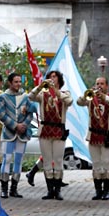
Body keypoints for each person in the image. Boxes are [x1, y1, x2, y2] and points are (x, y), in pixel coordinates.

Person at [28, 70, 73, 200]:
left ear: (59, 79)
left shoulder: (64, 93)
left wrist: (56, 91)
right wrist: (40, 86)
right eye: (50, 77)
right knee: (47, 161)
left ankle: (58, 190)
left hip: (59, 130)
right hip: (45, 129)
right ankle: (50, 190)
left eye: (54, 77)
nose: (52, 79)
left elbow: (69, 101)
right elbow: (31, 97)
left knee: (58, 161)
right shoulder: (43, 94)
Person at [77, 76, 109, 200]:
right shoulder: (91, 98)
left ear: (107, 86)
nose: (99, 86)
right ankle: (98, 191)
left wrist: (104, 97)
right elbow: (79, 102)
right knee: (96, 163)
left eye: (102, 84)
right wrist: (87, 94)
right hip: (94, 135)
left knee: (106, 163)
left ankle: (106, 191)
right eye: (97, 84)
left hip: (107, 135)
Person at [0, 72, 38, 199]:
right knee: (7, 159)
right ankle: (4, 188)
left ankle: (14, 188)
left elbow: (31, 113)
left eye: (20, 81)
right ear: (10, 83)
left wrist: (24, 125)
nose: (18, 84)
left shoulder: (25, 97)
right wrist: (15, 125)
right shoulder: (3, 97)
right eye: (16, 81)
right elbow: (1, 115)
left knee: (18, 161)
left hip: (22, 134)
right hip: (9, 133)